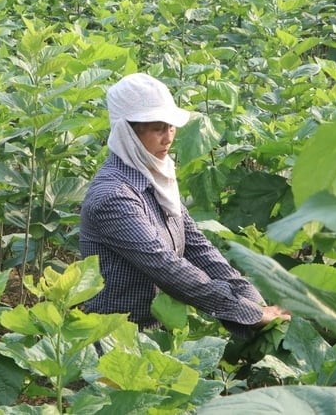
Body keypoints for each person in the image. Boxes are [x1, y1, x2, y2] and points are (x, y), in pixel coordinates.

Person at [79, 73, 290, 335]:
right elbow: (165, 265)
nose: (168, 138)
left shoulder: (155, 177)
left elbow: (196, 245)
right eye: (158, 128)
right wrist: (245, 311)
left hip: (155, 330)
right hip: (113, 336)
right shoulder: (113, 195)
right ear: (128, 133)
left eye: (171, 127)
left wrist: (247, 294)